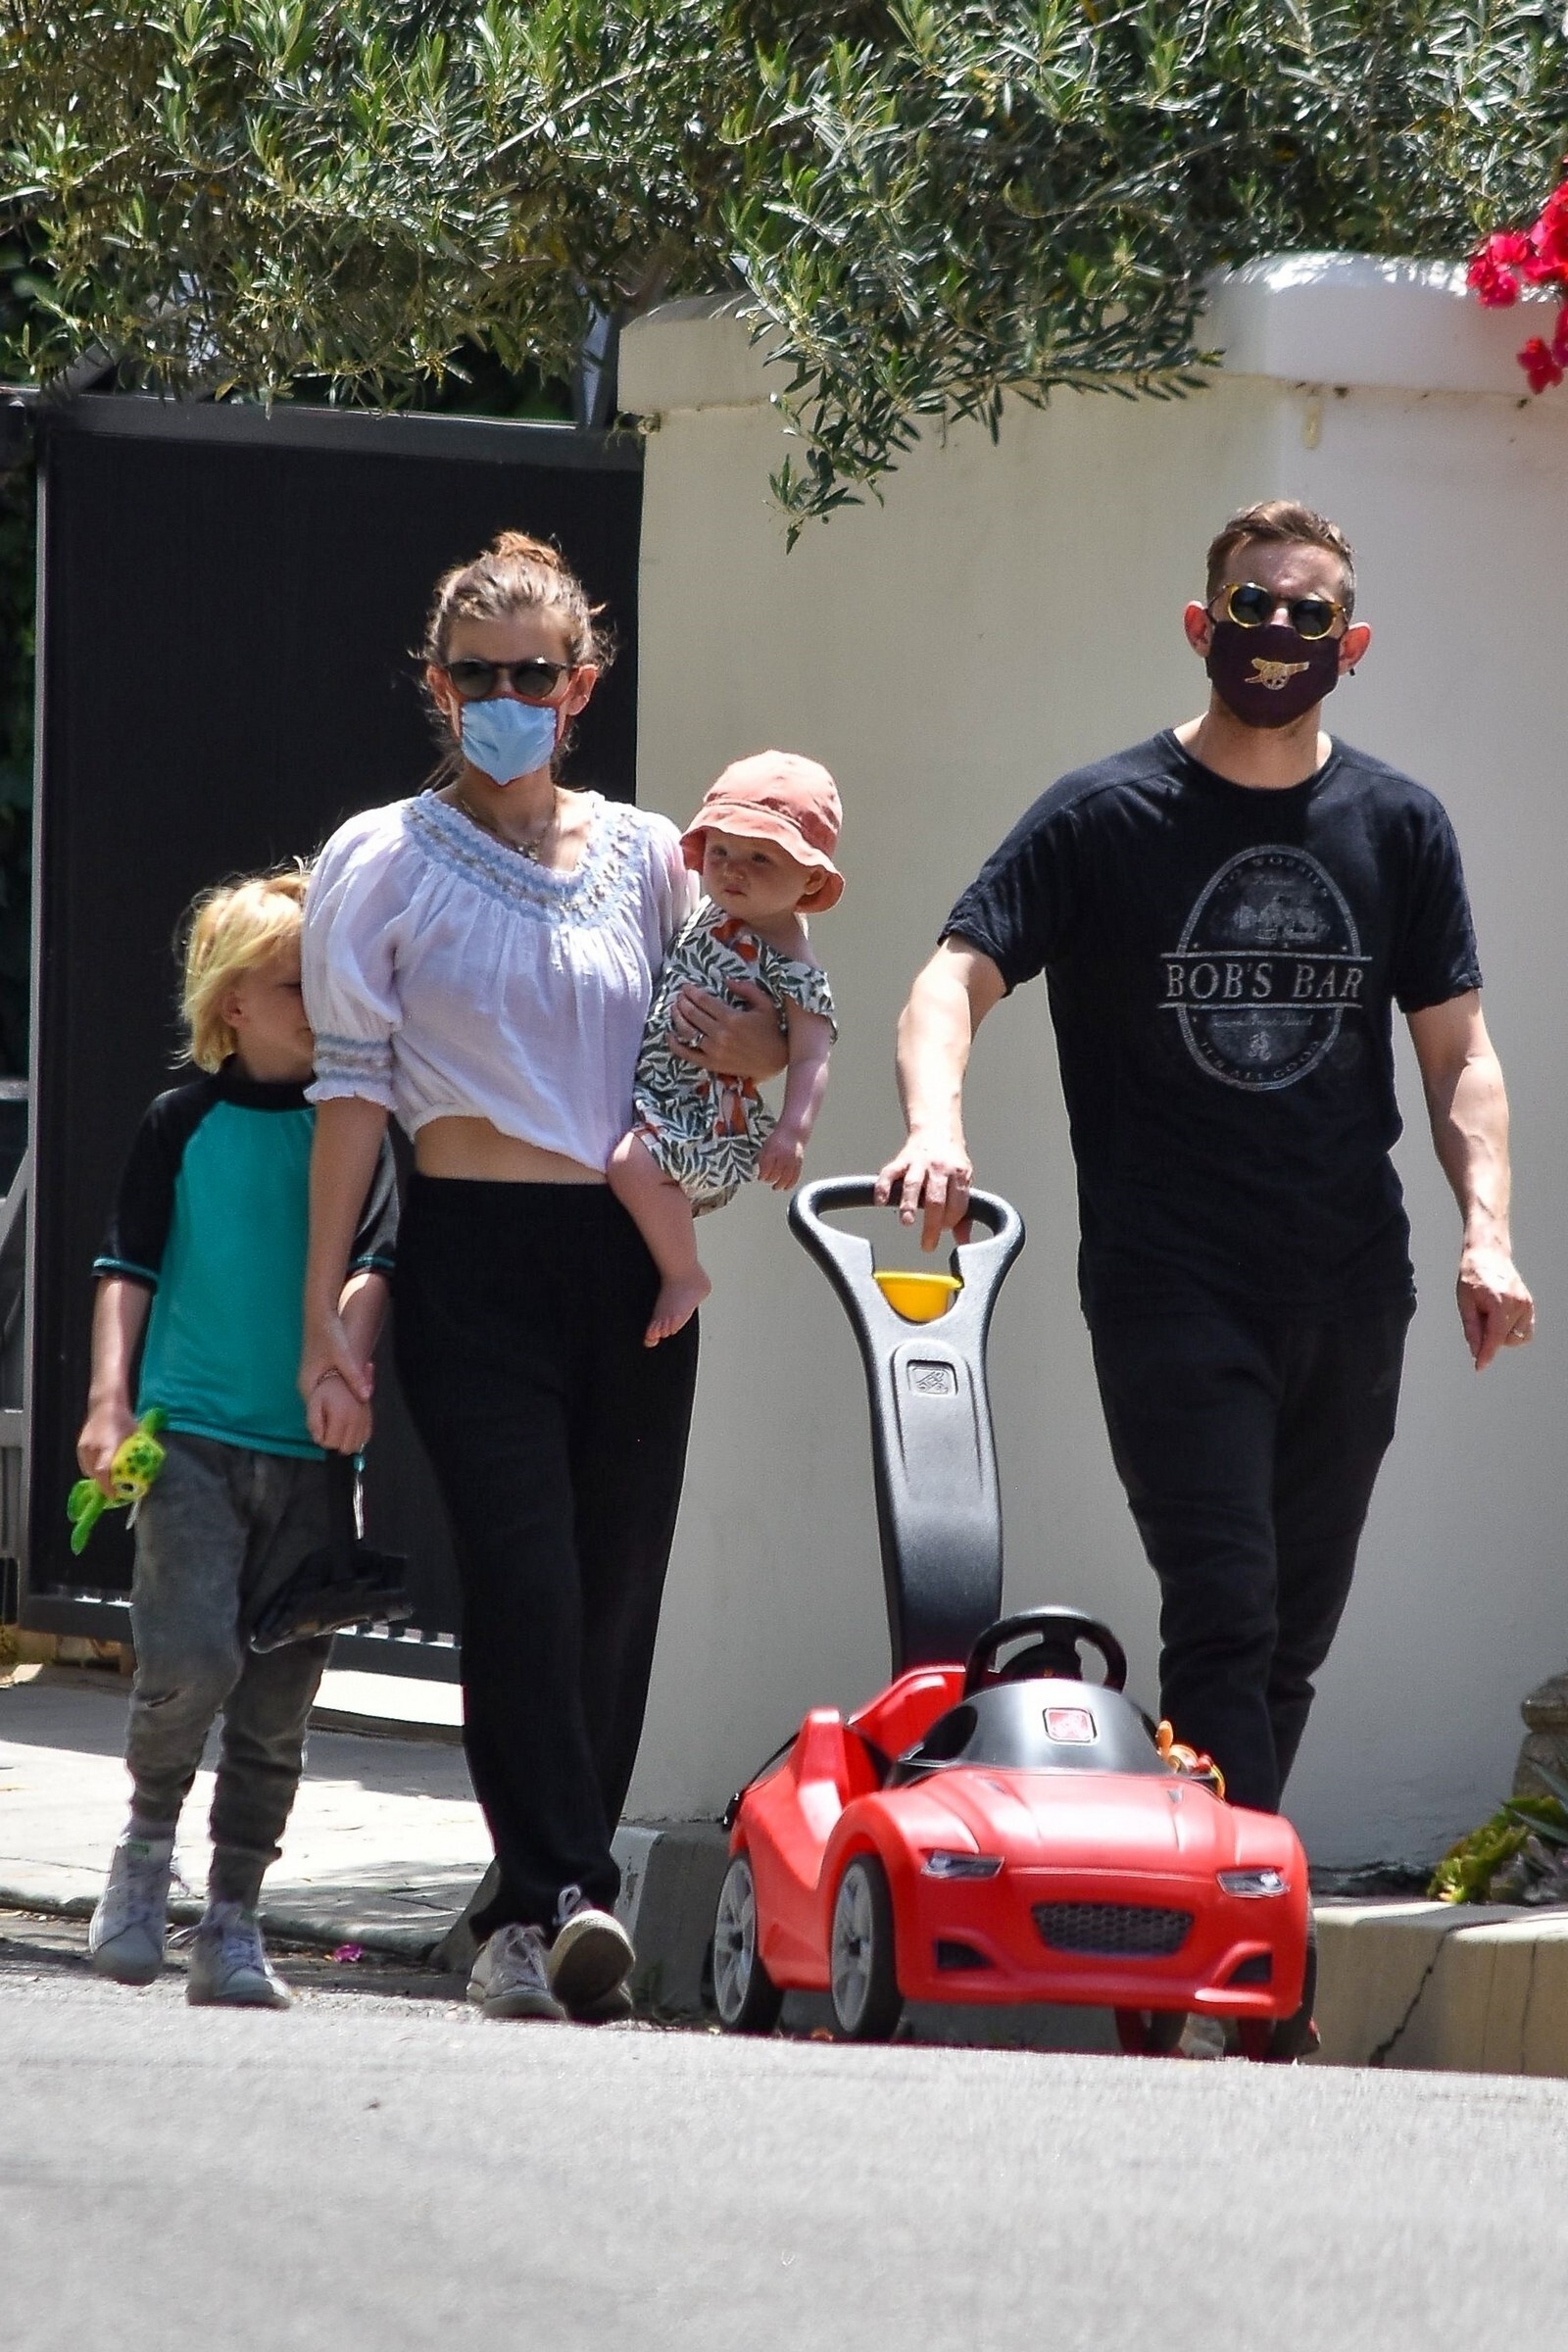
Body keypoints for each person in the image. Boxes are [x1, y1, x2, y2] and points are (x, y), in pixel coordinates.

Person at [877, 500, 1534, 1816]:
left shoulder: (1399, 824)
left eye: (1309, 612)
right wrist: (935, 1124)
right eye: (1252, 605)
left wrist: (1487, 1231)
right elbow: (952, 977)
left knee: (1289, 1635)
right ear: (1200, 625)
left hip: (1352, 1289)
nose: (1278, 629)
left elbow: (1459, 1050)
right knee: (1226, 1605)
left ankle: (1203, 1886)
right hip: (1169, 1284)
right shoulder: (1104, 816)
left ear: (1351, 644)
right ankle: (1243, 1919)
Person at [299, 530, 788, 2023]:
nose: (504, 698)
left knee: (612, 1592)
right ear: (437, 684)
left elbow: (744, 1026)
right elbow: (351, 1094)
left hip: (625, 1259)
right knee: (522, 1579)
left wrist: (765, 1048)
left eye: (534, 674)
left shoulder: (652, 857)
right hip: (469, 1254)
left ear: (580, 686)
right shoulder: (381, 857)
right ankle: (567, 1896)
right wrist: (326, 1306)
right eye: (477, 674)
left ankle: (534, 1907)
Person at [79, 869, 397, 2004]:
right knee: (193, 1659)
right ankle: (143, 1854)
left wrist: (346, 1367)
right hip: (193, 1443)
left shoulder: (355, 1127)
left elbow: (377, 1261)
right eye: (294, 984)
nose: (318, 1002)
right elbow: (125, 1267)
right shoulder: (180, 1125)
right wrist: (108, 1401)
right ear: (232, 1004)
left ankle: (232, 1920)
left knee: (276, 1706)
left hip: (313, 1459)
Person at [608, 751, 841, 1346]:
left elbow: (812, 1052)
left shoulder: (793, 962)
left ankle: (684, 1273)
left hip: (704, 1117)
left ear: (810, 879)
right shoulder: (711, 910)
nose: (734, 870)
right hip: (659, 1096)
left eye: (760, 857)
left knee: (632, 1165)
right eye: (720, 852)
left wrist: (792, 1132)